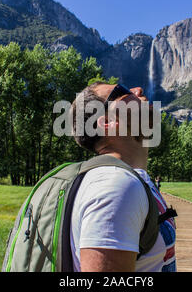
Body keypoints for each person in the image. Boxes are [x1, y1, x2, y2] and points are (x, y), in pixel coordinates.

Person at [69, 82, 176, 272]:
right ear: (108, 122)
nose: (138, 90)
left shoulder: (130, 181)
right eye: (123, 92)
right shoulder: (116, 187)